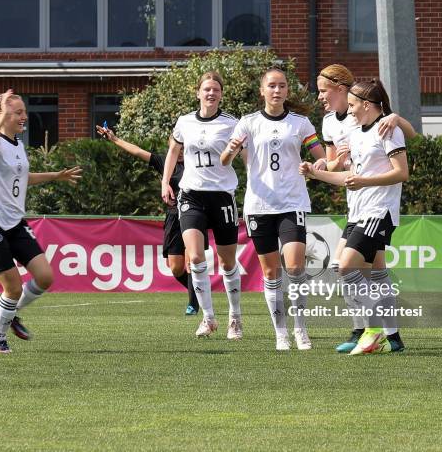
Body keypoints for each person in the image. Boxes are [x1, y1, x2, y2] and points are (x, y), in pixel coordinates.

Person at [300, 79, 409, 355]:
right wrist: (316, 173)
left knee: (345, 266)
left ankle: (372, 330)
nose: (348, 111)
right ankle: (393, 337)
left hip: (378, 211)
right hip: (359, 212)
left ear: (367, 104)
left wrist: (365, 181)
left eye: (352, 105)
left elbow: (401, 173)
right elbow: (351, 178)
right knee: (374, 274)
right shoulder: (358, 134)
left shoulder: (388, 130)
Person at [221, 67, 326, 351]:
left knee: (295, 266)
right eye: (272, 86)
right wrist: (231, 149)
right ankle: (281, 332)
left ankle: (301, 329)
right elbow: (224, 160)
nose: (277, 91)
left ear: (287, 91)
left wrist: (317, 166)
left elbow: (322, 157)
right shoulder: (248, 122)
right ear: (262, 90)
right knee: (270, 273)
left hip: (293, 203)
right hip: (259, 206)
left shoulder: (301, 123)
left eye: (281, 86)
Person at [0, 89, 82, 353]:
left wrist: (55, 175)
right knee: (12, 287)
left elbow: (22, 178)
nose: (24, 117)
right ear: (3, 116)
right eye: (18, 112)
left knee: (45, 277)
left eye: (24, 112)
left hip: (15, 222)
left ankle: (10, 314)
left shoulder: (17, 145)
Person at [161, 71, 243, 340]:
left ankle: (235, 318)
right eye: (206, 89)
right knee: (195, 257)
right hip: (191, 195)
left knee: (227, 261)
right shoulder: (184, 121)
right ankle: (208, 318)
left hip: (221, 196)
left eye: (216, 90)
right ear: (198, 93)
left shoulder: (232, 124)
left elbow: (244, 156)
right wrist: (165, 182)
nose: (211, 93)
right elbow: (174, 150)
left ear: (221, 95)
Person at [95, 126, 201, 316]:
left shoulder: (196, 163)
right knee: (176, 268)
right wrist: (114, 139)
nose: (181, 152)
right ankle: (202, 293)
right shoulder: (165, 162)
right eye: (177, 148)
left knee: (192, 260)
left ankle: (194, 304)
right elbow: (137, 151)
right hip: (172, 217)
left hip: (193, 214)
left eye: (184, 148)